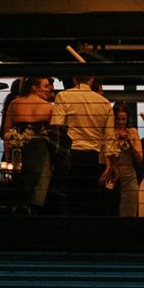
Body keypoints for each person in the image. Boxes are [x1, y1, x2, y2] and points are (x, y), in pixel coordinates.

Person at [49, 74, 117, 216]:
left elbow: (56, 128)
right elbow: (110, 138)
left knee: (67, 201)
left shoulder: (63, 97)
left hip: (69, 155)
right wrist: (110, 165)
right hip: (92, 158)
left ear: (74, 79)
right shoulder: (104, 103)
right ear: (92, 80)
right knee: (88, 203)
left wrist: (53, 159)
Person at [3, 76, 55, 213]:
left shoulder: (14, 104)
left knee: (19, 184)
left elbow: (6, 132)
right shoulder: (49, 108)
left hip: (18, 148)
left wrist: (7, 155)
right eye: (45, 86)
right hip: (40, 150)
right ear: (34, 87)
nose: (48, 89)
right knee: (38, 186)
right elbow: (54, 135)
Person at [111, 102, 144, 217]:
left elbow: (140, 160)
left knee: (129, 213)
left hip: (129, 178)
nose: (120, 122)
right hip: (112, 176)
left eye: (123, 119)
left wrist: (130, 142)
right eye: (118, 119)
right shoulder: (108, 132)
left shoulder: (132, 132)